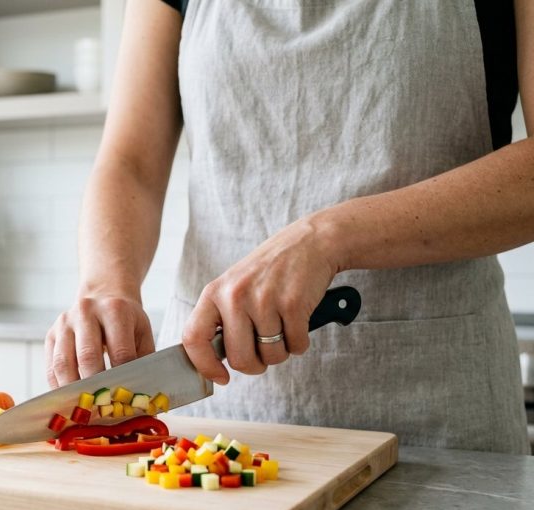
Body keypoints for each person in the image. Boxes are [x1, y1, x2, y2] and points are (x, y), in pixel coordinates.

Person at [45, 0, 533, 454]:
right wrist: (107, 282)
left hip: (438, 412)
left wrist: (327, 237)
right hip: (217, 410)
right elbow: (130, 160)